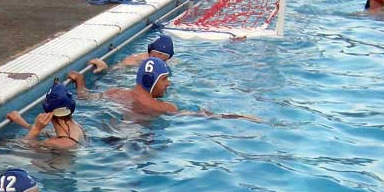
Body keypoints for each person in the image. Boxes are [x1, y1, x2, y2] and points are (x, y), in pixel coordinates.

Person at [69, 57, 260, 121]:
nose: (168, 83)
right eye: (164, 79)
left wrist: (80, 80)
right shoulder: (164, 108)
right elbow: (204, 117)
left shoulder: (115, 93)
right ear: (152, 80)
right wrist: (240, 117)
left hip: (113, 135)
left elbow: (85, 97)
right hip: (139, 142)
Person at [7, 80, 86, 148]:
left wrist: (35, 130)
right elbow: (49, 133)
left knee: (4, 143)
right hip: (67, 161)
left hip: (54, 165)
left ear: (49, 114)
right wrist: (22, 123)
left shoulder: (54, 143)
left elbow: (20, 146)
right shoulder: (77, 127)